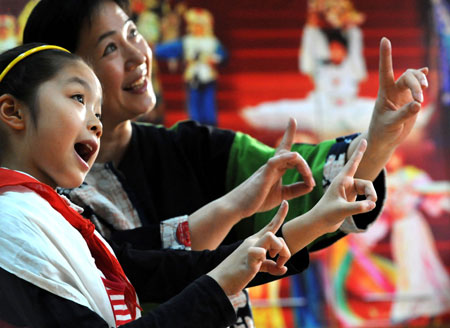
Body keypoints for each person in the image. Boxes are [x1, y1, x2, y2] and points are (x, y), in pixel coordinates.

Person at [0, 43, 377, 327]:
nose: (96, 123)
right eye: (78, 98)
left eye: (98, 111)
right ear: (13, 111)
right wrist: (221, 284)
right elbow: (180, 269)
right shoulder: (11, 222)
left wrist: (317, 220)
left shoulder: (50, 216)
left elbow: (173, 267)